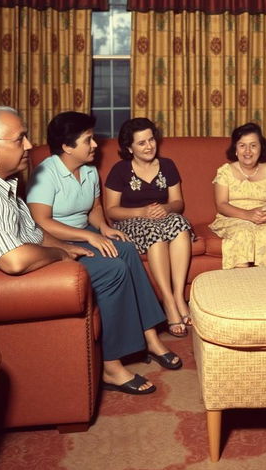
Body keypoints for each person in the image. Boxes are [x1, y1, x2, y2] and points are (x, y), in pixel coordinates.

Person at [0, 106, 166, 396]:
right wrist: (62, 254)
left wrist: (69, 246)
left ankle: (143, 338)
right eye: (20, 139)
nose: (30, 146)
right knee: (113, 270)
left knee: (120, 252)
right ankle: (111, 366)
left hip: (21, 264)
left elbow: (32, 231)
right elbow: (15, 260)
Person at [26, 111, 183, 393]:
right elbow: (41, 221)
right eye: (88, 140)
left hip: (87, 233)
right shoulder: (45, 173)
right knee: (116, 268)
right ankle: (113, 366)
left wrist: (104, 228)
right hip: (56, 241)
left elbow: (96, 209)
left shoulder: (88, 171)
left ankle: (150, 337)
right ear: (67, 146)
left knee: (126, 250)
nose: (96, 145)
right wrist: (87, 235)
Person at [104, 117, 194, 338]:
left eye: (151, 140)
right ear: (129, 148)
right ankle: (169, 303)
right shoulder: (120, 170)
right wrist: (141, 212)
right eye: (141, 143)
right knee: (155, 232)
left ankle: (178, 295)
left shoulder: (168, 165)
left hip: (162, 217)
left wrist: (165, 208)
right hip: (131, 221)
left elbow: (178, 203)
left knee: (180, 224)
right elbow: (111, 210)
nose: (149, 146)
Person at [209, 122, 266, 269]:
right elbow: (221, 205)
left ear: (260, 148)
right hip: (233, 218)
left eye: (253, 145)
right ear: (235, 150)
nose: (248, 151)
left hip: (264, 218)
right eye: (242, 145)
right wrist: (247, 215)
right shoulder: (225, 171)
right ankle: (240, 285)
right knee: (242, 233)